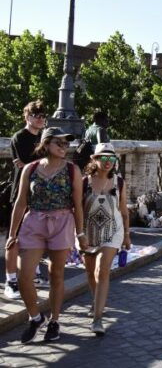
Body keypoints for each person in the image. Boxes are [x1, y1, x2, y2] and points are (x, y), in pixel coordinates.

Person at [6, 127, 86, 344]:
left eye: (66, 143)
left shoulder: (72, 170)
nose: (64, 147)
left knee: (57, 274)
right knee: (24, 277)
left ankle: (55, 320)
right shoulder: (30, 169)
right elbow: (21, 202)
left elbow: (77, 205)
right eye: (59, 143)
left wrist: (81, 234)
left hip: (62, 222)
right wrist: (12, 234)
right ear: (46, 144)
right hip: (34, 223)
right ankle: (35, 317)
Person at [81, 143, 131, 336]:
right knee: (90, 271)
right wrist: (77, 233)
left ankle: (98, 318)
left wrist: (127, 234)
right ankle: (96, 303)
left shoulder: (119, 182)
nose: (108, 162)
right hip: (88, 232)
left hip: (113, 231)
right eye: (104, 157)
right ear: (95, 159)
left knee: (102, 271)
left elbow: (124, 210)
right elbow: (77, 208)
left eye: (112, 158)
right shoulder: (84, 182)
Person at [4, 101, 47, 300]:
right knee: (14, 238)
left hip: (40, 196)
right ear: (27, 117)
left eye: (42, 115)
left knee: (35, 237)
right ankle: (11, 280)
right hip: (22, 194)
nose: (40, 118)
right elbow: (23, 166)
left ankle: (34, 274)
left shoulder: (45, 138)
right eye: (36, 115)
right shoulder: (19, 138)